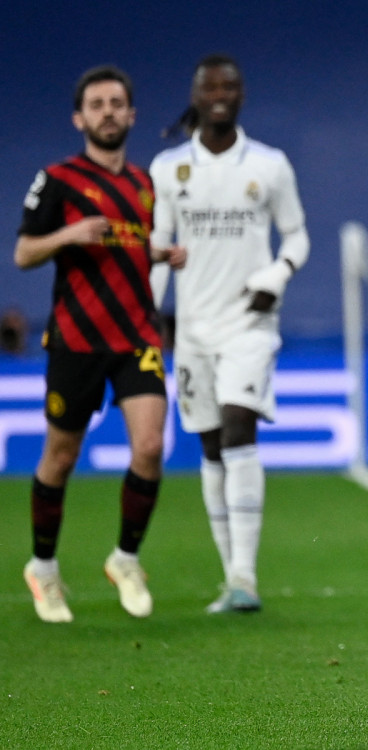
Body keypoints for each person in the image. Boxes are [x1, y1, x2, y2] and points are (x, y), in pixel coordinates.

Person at [14, 65, 187, 623]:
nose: (108, 111)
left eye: (117, 103)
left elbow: (125, 244)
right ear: (79, 117)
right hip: (77, 339)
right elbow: (23, 253)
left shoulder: (143, 184)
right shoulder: (58, 179)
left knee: (150, 447)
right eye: (97, 103)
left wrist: (157, 254)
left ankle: (125, 557)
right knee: (60, 458)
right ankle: (43, 568)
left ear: (131, 115)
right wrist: (68, 233)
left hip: (136, 332)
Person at [149, 54, 310, 614]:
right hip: (193, 331)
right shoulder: (168, 169)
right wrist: (148, 311)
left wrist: (276, 276)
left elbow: (295, 237)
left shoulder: (268, 165)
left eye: (229, 86)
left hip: (250, 323)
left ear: (241, 96)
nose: (219, 94)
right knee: (212, 444)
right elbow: (158, 249)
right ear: (195, 96)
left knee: (240, 427)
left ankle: (245, 577)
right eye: (209, 86)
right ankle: (230, 576)